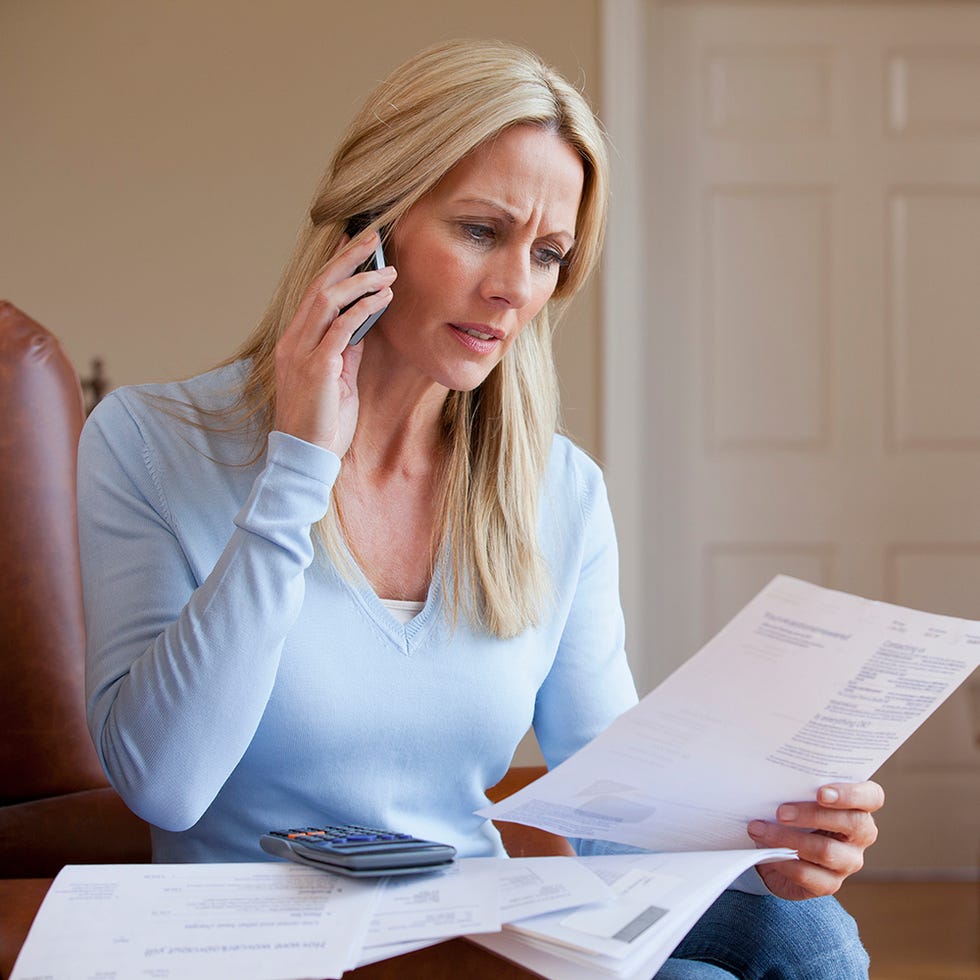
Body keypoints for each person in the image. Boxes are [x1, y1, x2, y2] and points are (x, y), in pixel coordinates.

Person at [79, 38, 882, 978]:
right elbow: (165, 789)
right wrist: (297, 469)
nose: (513, 289)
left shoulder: (558, 489)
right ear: (368, 227)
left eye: (547, 254)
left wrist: (769, 847)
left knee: (805, 931)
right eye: (478, 231)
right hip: (263, 941)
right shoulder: (148, 442)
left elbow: (609, 810)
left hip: (474, 926)